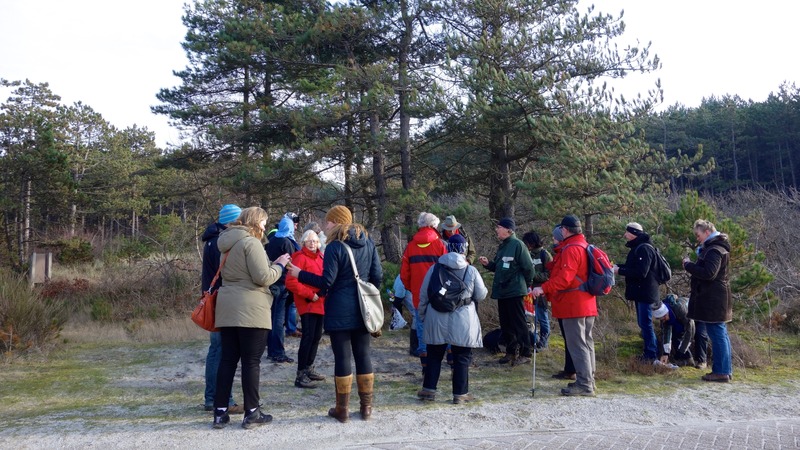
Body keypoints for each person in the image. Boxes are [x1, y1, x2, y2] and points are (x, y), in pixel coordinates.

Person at [287, 205, 383, 422]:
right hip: (363, 309)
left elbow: (326, 282)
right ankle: (366, 408)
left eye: (329, 222)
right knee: (364, 355)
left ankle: (343, 410)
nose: (325, 225)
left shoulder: (334, 247)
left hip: (339, 309)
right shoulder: (368, 242)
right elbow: (377, 275)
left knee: (343, 358)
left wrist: (299, 273)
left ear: (338, 222)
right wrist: (366, 294)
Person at [212, 207, 291, 429]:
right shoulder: (251, 243)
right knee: (251, 362)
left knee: (228, 360)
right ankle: (252, 413)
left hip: (227, 308)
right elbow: (263, 277)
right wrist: (280, 264)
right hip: (251, 309)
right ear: (256, 223)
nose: (266, 227)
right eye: (264, 223)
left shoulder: (226, 244)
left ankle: (219, 413)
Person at [416, 234, 487, 404]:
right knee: (461, 357)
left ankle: (428, 391)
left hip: (436, 317)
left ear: (447, 249)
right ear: (464, 250)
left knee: (434, 355)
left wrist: (423, 315)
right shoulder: (471, 270)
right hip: (462, 319)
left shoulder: (434, 269)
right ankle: (460, 394)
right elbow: (481, 294)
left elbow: (424, 295)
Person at [534, 215, 597, 396]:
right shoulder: (584, 246)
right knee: (587, 342)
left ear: (565, 230)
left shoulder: (571, 249)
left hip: (573, 303)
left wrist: (542, 288)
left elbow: (564, 279)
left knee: (577, 344)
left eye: (561, 228)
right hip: (587, 301)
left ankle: (585, 385)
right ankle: (589, 380)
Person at [201, 204, 244, 414]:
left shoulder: (211, 240)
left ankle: (211, 398)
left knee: (215, 351)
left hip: (213, 297)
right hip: (221, 299)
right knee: (223, 352)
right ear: (231, 221)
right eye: (239, 220)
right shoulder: (221, 242)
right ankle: (224, 399)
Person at [478, 217, 535, 365]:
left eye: (499, 227)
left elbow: (529, 268)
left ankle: (525, 352)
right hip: (502, 291)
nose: (497, 230)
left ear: (508, 230)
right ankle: (511, 351)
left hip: (515, 291)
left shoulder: (518, 245)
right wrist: (487, 264)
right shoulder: (503, 246)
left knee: (519, 323)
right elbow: (497, 266)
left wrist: (525, 284)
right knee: (506, 323)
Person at [683, 219, 733, 382]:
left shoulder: (714, 250)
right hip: (717, 297)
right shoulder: (717, 248)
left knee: (717, 334)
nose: (697, 238)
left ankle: (722, 371)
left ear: (707, 232)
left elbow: (709, 273)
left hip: (714, 298)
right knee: (720, 334)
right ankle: (723, 370)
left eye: (698, 235)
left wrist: (689, 266)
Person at [400, 212, 447, 373]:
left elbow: (404, 274)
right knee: (443, 328)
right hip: (439, 295)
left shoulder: (411, 246)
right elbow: (447, 270)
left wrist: (412, 288)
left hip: (418, 295)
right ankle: (453, 364)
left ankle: (426, 368)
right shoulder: (440, 245)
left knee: (422, 330)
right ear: (433, 226)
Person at [611, 222, 660, 363]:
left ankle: (651, 355)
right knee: (643, 323)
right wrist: (617, 266)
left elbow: (641, 272)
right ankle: (649, 353)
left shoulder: (644, 249)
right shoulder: (638, 248)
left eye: (627, 232)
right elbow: (632, 267)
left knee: (646, 324)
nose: (625, 235)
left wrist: (619, 271)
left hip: (646, 294)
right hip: (642, 293)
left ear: (633, 233)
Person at [285, 229, 327, 389]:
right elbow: (291, 282)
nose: (312, 243)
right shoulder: (299, 258)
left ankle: (309, 368)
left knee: (316, 336)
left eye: (315, 241)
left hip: (321, 301)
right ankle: (300, 374)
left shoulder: (322, 257)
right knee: (308, 336)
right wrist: (310, 295)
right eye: (309, 241)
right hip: (307, 302)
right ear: (303, 242)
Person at [265, 215, 300, 363]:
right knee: (278, 319)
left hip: (271, 281)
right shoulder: (287, 242)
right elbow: (293, 263)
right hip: (282, 283)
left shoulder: (271, 240)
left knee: (271, 318)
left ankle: (271, 349)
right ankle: (277, 352)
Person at [546, 225, 577, 381]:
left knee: (572, 339)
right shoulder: (560, 253)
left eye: (554, 237)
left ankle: (574, 371)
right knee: (568, 338)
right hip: (562, 301)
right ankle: (569, 369)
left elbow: (564, 278)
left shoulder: (568, 251)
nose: (553, 240)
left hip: (570, 301)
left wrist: (544, 288)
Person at [521, 231, 552, 350]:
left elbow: (549, 274)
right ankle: (533, 339)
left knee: (542, 316)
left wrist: (534, 275)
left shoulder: (545, 255)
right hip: (527, 291)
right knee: (529, 316)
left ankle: (544, 341)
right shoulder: (526, 254)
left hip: (541, 291)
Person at [652, 294, 695, 367]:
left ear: (666, 313)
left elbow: (690, 332)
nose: (663, 321)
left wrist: (681, 351)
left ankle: (700, 361)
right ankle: (687, 360)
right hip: (682, 319)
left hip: (696, 313)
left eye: (664, 318)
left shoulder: (680, 309)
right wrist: (665, 353)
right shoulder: (665, 318)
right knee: (676, 335)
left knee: (700, 334)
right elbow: (667, 335)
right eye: (661, 319)